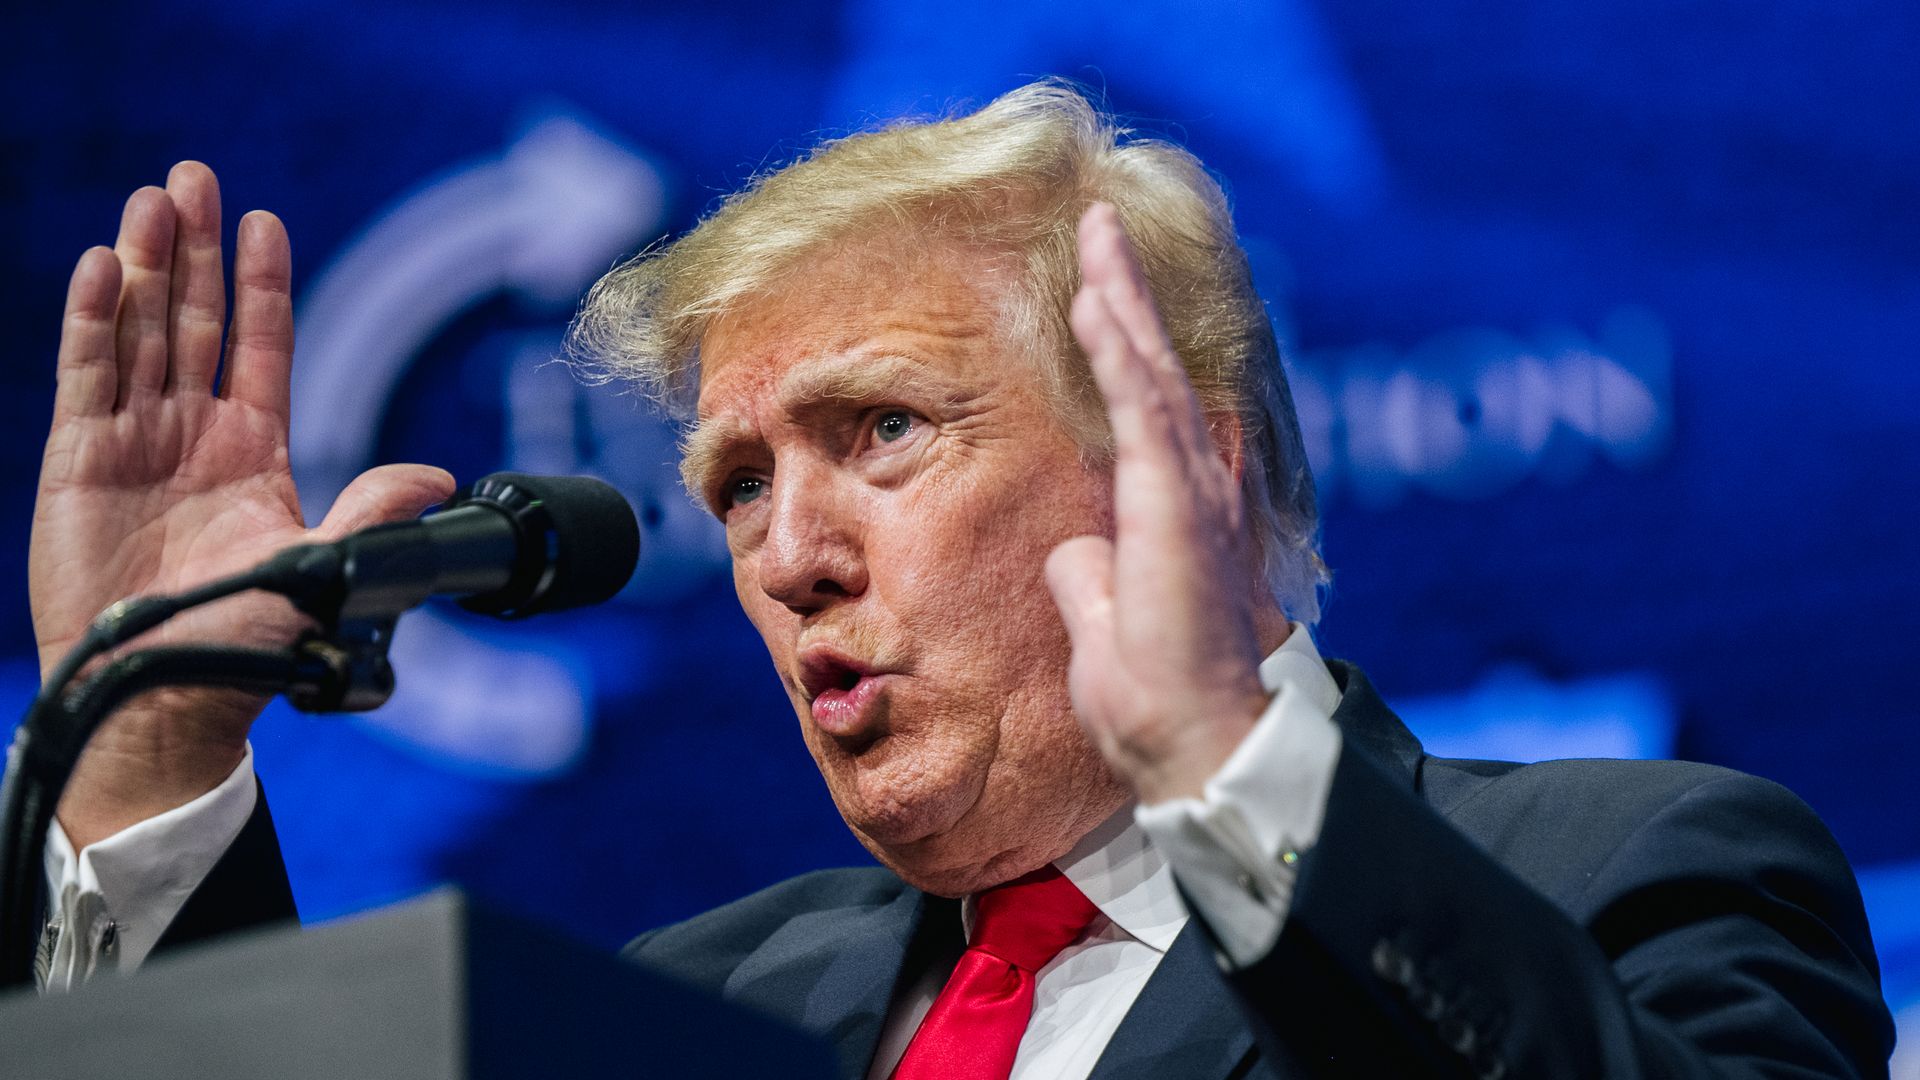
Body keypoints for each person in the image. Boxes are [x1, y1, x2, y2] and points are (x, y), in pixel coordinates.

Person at [28, 82, 1894, 1076]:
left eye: (887, 432)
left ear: (1195, 465)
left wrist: (1229, 772)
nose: (787, 554)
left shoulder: (1643, 878)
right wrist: (152, 761)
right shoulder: (680, 1015)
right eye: (741, 483)